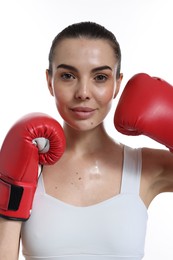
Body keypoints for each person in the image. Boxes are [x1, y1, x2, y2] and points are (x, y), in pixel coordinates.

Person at [0, 21, 173, 260]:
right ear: (49, 81)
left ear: (117, 84)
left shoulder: (146, 167)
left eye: (100, 77)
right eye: (68, 75)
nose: (83, 92)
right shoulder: (25, 163)